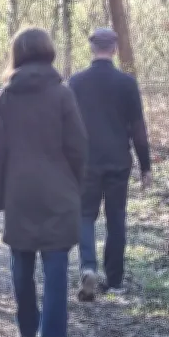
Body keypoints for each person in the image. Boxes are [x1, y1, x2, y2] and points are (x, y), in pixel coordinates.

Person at [0, 27, 87, 337]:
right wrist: (76, 183)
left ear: (16, 54)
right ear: (49, 52)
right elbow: (77, 146)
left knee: (21, 261)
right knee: (56, 262)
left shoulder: (6, 97)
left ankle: (27, 330)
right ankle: (53, 336)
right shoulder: (62, 94)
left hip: (19, 190)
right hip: (58, 189)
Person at [68, 28, 153, 302]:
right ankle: (115, 281)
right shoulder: (126, 84)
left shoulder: (76, 83)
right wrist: (145, 165)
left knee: (84, 216)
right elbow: (138, 129)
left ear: (91, 49)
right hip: (118, 160)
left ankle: (88, 267)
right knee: (116, 218)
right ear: (114, 49)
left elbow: (67, 126)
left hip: (86, 161)